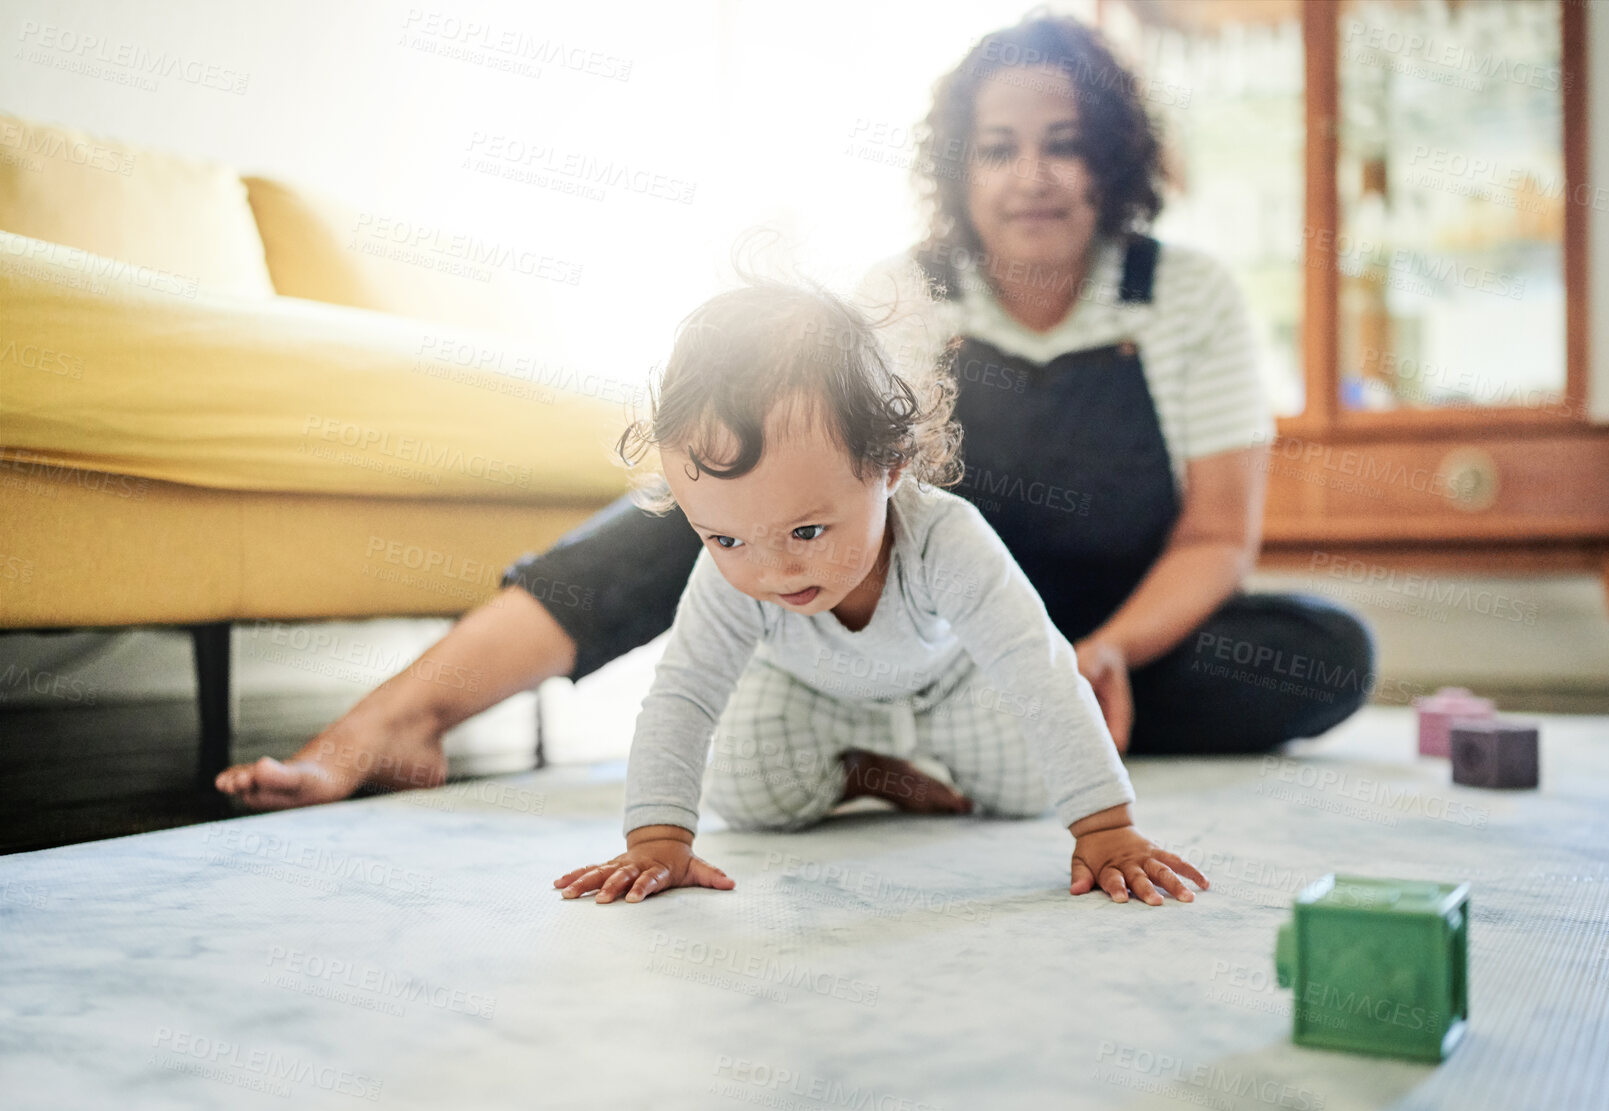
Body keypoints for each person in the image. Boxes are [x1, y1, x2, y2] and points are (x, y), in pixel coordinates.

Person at [214, 14, 1373, 814]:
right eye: (999, 148)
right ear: (956, 169)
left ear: (1112, 161)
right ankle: (381, 727)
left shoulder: (1188, 296)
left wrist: (1100, 654)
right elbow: (825, 486)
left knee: (1321, 653)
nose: (1031, 175)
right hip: (914, 614)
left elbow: (1218, 535)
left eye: (1064, 147)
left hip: (1105, 633)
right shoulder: (904, 284)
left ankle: (974, 737)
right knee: (702, 497)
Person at [550, 282, 1208, 906]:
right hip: (808, 694)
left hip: (946, 688)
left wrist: (1104, 826)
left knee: (1029, 787)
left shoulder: (944, 538)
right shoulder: (734, 571)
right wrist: (657, 838)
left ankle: (918, 760)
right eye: (725, 539)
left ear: (890, 464)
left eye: (806, 530)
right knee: (747, 795)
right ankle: (865, 770)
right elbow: (684, 693)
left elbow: (1034, 668)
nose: (772, 570)